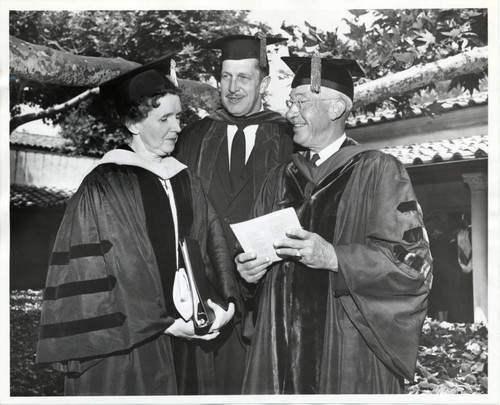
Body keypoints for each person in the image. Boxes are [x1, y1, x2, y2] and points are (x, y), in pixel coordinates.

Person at [35, 56, 238, 395]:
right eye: (165, 118)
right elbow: (115, 270)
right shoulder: (105, 184)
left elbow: (212, 241)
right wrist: (167, 322)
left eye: (178, 116)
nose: (177, 127)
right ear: (134, 124)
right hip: (130, 348)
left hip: (191, 334)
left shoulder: (186, 179)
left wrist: (223, 302)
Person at [236, 55, 433, 394]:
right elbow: (256, 268)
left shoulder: (378, 171)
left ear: (336, 108)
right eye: (289, 102)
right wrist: (249, 275)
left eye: (300, 102)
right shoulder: (279, 179)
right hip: (279, 346)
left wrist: (335, 257)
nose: (289, 113)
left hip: (346, 347)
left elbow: (411, 264)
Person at [174, 34, 294, 394]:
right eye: (225, 77)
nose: (232, 87)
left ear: (264, 82)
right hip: (202, 295)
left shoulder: (290, 137)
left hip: (267, 300)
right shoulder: (193, 135)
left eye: (243, 77)